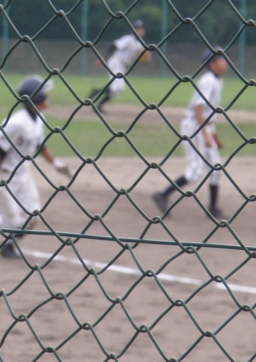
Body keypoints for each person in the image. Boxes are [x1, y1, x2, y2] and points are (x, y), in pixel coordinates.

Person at [0, 75, 73, 258]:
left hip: (24, 175)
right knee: (12, 222)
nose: (48, 97)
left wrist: (55, 163)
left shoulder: (39, 118)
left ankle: (5, 240)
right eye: (44, 94)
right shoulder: (16, 123)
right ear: (37, 98)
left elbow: (39, 145)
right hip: (5, 177)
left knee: (33, 216)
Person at [152, 48, 228, 219]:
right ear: (212, 64)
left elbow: (208, 113)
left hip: (204, 126)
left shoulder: (218, 81)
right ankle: (163, 195)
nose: (225, 62)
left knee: (216, 167)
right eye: (221, 60)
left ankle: (212, 208)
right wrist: (206, 135)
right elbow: (198, 108)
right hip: (193, 126)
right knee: (196, 171)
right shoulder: (208, 80)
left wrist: (212, 134)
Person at [89, 19, 151, 112]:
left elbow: (143, 59)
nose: (140, 31)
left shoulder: (141, 44)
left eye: (141, 29)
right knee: (118, 87)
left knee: (116, 89)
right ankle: (98, 105)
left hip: (122, 66)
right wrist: (104, 57)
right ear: (132, 30)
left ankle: (96, 93)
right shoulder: (128, 39)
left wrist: (146, 59)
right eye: (137, 29)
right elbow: (113, 45)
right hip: (116, 62)